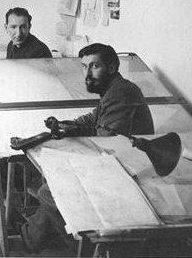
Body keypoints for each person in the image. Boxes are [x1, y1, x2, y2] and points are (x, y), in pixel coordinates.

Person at [19, 43, 154, 253]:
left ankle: (86, 249)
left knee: (49, 190)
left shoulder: (121, 92)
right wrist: (67, 125)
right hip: (120, 161)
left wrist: (73, 132)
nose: (87, 74)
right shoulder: (114, 89)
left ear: (111, 68)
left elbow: (107, 138)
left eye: (94, 66)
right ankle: (33, 235)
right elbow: (95, 118)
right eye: (84, 67)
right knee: (51, 181)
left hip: (128, 169)